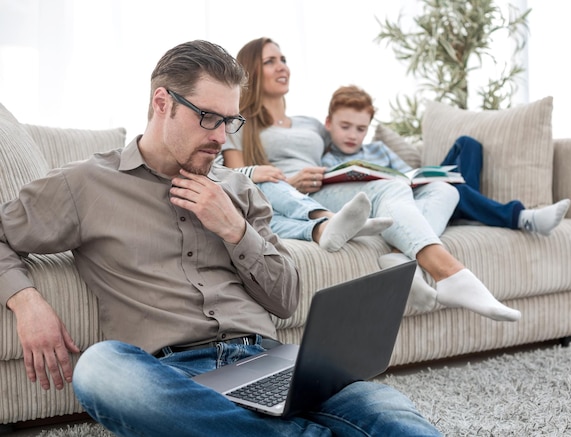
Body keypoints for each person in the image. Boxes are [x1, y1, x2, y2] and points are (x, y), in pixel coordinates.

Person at [0, 40, 441, 436]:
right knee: (99, 371)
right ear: (162, 103)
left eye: (229, 121)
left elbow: (286, 299)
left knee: (391, 413)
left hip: (270, 359)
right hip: (174, 374)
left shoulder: (239, 189)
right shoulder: (86, 183)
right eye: (208, 118)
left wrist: (234, 228)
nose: (219, 138)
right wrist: (26, 301)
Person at [222, 37, 521, 322]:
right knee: (388, 189)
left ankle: (398, 257)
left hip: (330, 185)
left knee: (446, 191)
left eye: (283, 59)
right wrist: (290, 180)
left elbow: (349, 143)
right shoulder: (240, 126)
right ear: (252, 70)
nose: (282, 66)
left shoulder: (311, 124)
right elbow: (237, 177)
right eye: (270, 61)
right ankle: (452, 274)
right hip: (296, 193)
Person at [322, 85, 571, 236]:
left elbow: (408, 174)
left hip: (416, 192)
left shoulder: (378, 149)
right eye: (346, 126)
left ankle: (464, 206)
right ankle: (521, 217)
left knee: (468, 144)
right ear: (329, 123)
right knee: (454, 191)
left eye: (360, 128)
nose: (353, 135)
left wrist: (426, 176)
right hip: (403, 205)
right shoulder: (327, 160)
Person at [214, 157, 393, 252]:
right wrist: (250, 172)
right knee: (265, 181)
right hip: (219, 191)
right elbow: (214, 174)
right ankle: (331, 218)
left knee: (262, 217)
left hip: (229, 195)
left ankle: (323, 230)